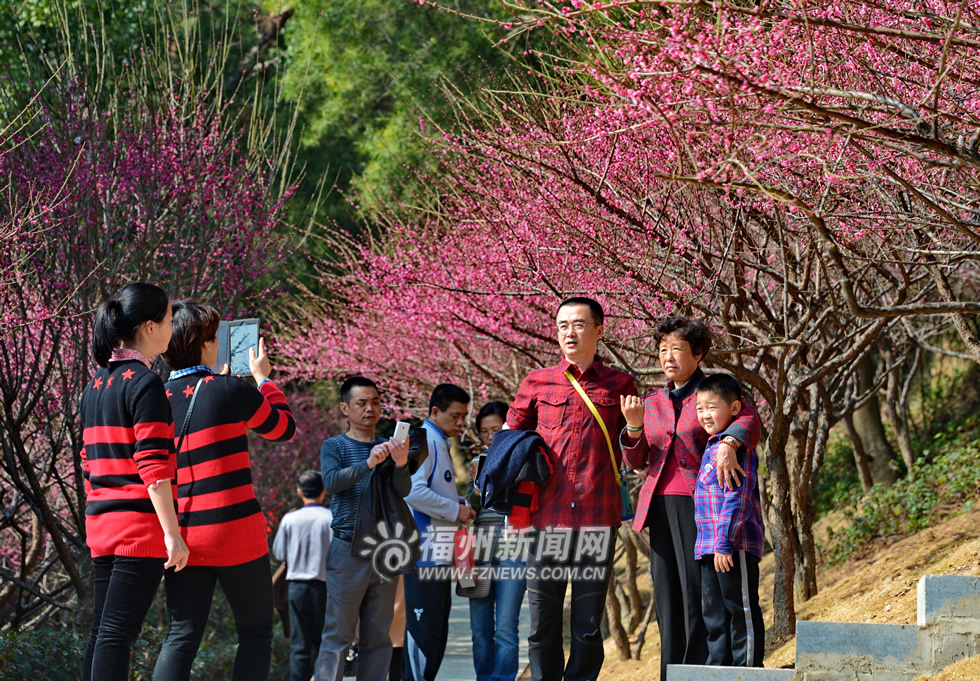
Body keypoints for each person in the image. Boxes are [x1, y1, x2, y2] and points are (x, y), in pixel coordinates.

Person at [154, 301, 296, 681]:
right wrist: (262, 379)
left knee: (181, 636)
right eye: (215, 335)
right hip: (236, 531)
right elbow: (284, 428)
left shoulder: (152, 398)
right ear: (202, 342)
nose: (219, 342)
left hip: (182, 535)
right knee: (255, 633)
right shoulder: (231, 390)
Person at [619, 316, 762, 681]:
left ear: (698, 353)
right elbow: (636, 461)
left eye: (677, 349)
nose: (668, 357)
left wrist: (730, 441)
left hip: (700, 506)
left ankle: (701, 669)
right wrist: (633, 427)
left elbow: (749, 419)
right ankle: (672, 672)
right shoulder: (651, 401)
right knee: (667, 593)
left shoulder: (715, 392)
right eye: (663, 349)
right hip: (659, 508)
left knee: (699, 595)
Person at [507, 297, 636, 681]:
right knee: (542, 624)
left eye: (578, 324)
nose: (569, 332)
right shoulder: (537, 381)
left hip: (597, 519)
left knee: (587, 625)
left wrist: (634, 428)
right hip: (545, 520)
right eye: (562, 325)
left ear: (599, 330)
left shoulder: (620, 384)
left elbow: (635, 450)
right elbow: (507, 444)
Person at [80, 283, 189, 681]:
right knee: (117, 634)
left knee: (103, 633)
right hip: (137, 528)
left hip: (101, 525)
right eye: (168, 319)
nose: (172, 327)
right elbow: (154, 466)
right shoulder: (144, 383)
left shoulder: (95, 384)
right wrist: (173, 534)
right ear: (148, 327)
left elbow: (88, 460)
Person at [314, 376, 411, 681]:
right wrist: (367, 464)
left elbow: (402, 491)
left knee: (378, 637)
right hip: (347, 548)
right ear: (345, 408)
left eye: (375, 402)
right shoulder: (335, 445)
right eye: (361, 403)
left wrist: (400, 463)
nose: (370, 408)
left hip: (384, 550)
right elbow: (331, 483)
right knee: (337, 635)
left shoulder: (389, 446)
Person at [403, 383, 475, 681]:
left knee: (435, 637)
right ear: (435, 411)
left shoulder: (438, 441)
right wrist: (456, 510)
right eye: (455, 416)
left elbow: (430, 491)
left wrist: (454, 502)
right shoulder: (425, 441)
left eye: (464, 416)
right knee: (423, 639)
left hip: (439, 558)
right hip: (423, 559)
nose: (461, 422)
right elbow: (412, 491)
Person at [693, 374, 765, 667]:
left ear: (735, 408)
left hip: (733, 546)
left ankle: (745, 669)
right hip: (710, 547)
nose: (705, 415)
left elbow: (738, 498)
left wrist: (724, 543)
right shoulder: (711, 448)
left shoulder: (737, 449)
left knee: (740, 609)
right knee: (714, 614)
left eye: (712, 407)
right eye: (699, 408)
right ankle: (718, 669)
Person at [467, 401, 526, 681]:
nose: (491, 437)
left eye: (496, 429)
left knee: (505, 626)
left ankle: (503, 678)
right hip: (479, 552)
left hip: (514, 548)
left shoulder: (524, 457)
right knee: (479, 629)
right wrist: (476, 487)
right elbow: (471, 506)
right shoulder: (476, 462)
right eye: (484, 431)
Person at [273, 470, 334, 681]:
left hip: (296, 588)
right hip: (324, 588)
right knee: (323, 644)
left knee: (299, 646)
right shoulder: (331, 518)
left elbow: (280, 553)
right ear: (324, 491)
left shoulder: (290, 519)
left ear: (299, 492)